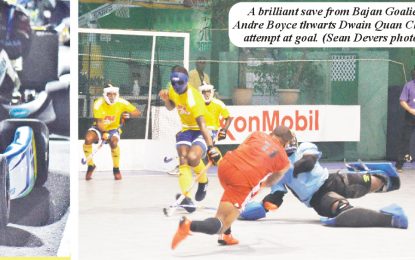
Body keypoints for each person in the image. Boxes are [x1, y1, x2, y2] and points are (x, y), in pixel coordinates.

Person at [171, 126, 293, 250]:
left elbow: (241, 148)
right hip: (243, 180)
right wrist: (263, 184)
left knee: (230, 198)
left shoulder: (257, 134)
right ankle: (188, 225)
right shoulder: (284, 160)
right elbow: (272, 180)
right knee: (221, 222)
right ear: (286, 143)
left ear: (271, 133)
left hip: (225, 167)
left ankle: (226, 236)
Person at [239, 141, 408, 230]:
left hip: (333, 180)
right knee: (344, 210)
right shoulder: (275, 170)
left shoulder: (304, 147)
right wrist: (258, 207)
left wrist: (288, 170)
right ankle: (391, 218)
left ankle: (381, 178)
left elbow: (309, 162)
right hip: (318, 198)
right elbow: (276, 198)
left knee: (372, 182)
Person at [159, 66, 221, 212]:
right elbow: (171, 107)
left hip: (202, 129)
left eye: (180, 83)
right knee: (183, 158)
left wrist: (211, 147)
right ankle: (186, 198)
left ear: (186, 81)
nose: (176, 86)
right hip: (186, 128)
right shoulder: (172, 89)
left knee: (193, 158)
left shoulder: (193, 99)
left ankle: (203, 180)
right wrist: (166, 100)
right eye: (173, 83)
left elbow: (203, 126)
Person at [83, 84, 141, 180]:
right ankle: (90, 165)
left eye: (114, 94)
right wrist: (105, 133)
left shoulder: (122, 102)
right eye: (109, 94)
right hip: (98, 127)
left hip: (114, 129)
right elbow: (99, 122)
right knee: (88, 139)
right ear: (105, 94)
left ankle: (116, 169)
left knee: (113, 143)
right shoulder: (98, 103)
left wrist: (127, 116)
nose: (112, 96)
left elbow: (137, 112)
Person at [395, 68, 415, 172]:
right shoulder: (409, 85)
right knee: (405, 139)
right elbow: (402, 101)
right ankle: (399, 165)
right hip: (411, 116)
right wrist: (411, 110)